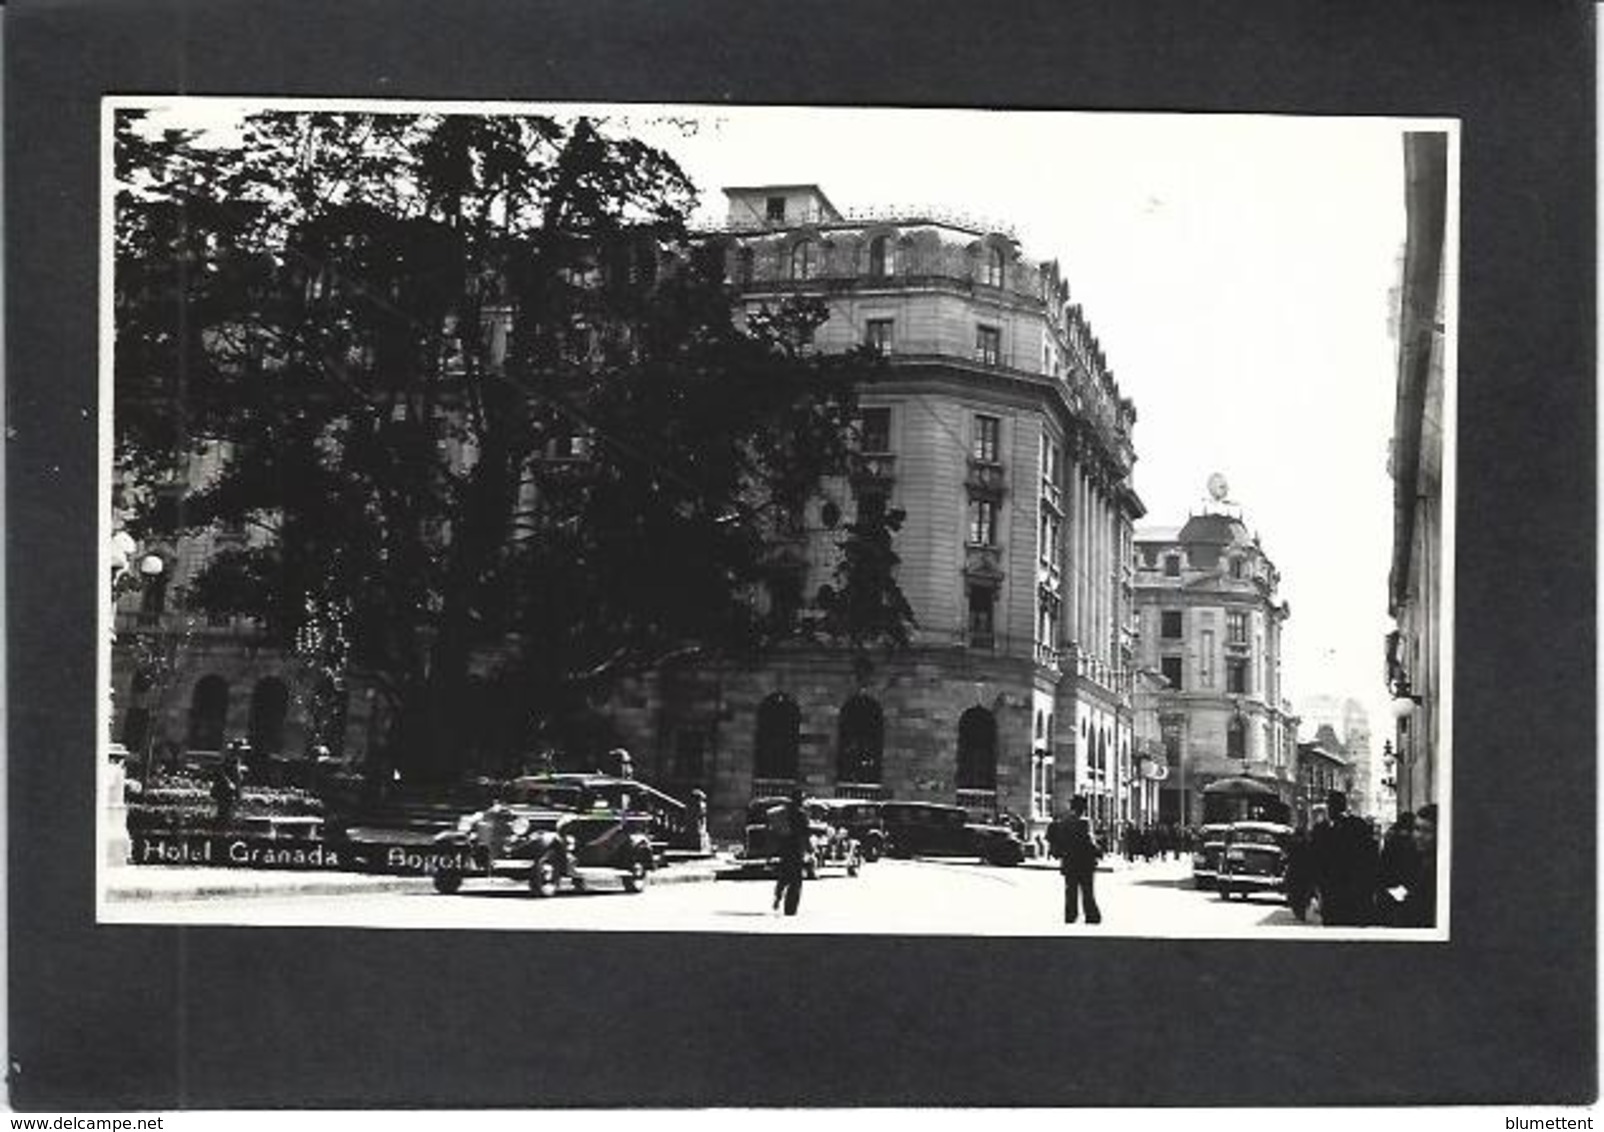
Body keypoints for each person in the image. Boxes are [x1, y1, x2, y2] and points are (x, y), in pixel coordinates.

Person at [1312, 791, 1378, 926]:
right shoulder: (1358, 825)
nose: (1330, 808)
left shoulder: (1322, 829)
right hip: (1336, 892)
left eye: (1331, 805)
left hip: (1348, 891)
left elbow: (1369, 858)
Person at [1047, 795, 1102, 924]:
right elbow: (1088, 842)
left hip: (1069, 861)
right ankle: (1091, 915)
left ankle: (1070, 915)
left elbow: (1059, 841)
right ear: (1083, 808)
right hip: (1084, 863)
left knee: (1070, 890)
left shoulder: (1064, 822)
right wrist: (1098, 851)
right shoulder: (1084, 822)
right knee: (1087, 890)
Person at [1374, 811, 1422, 927]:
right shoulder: (1412, 844)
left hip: (1389, 890)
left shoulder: (1391, 840)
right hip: (1407, 890)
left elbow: (1382, 867)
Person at [1397, 804, 1438, 928]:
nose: (1418, 836)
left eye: (1427, 831)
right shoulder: (1416, 860)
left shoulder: (1438, 869)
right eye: (1417, 829)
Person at [771, 789, 809, 916]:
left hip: (785, 848)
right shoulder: (801, 813)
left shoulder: (785, 811)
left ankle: (778, 895)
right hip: (796, 849)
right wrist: (808, 849)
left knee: (785, 874)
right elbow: (805, 833)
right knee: (796, 880)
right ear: (800, 800)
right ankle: (790, 908)